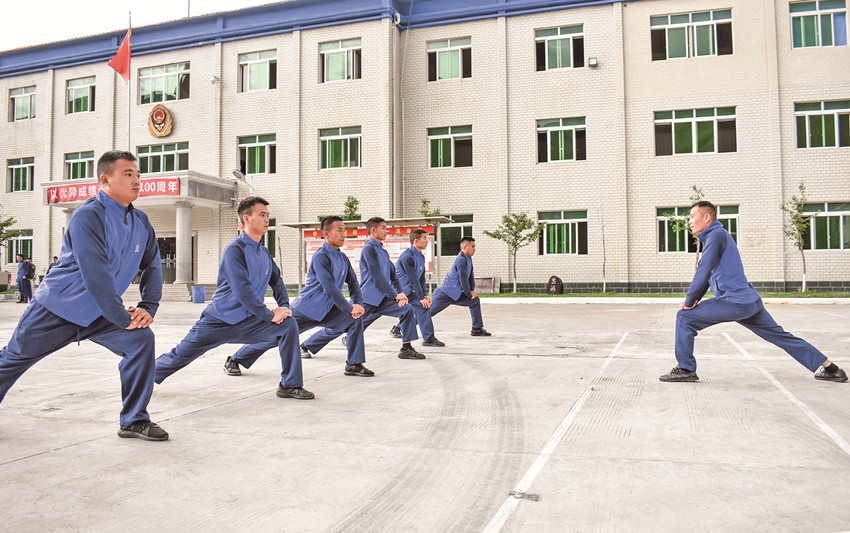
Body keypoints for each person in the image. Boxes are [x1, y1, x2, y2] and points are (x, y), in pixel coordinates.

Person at [0, 151, 168, 441]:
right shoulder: (88, 216)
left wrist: (148, 306)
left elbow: (152, 265)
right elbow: (95, 273)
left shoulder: (140, 221)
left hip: (101, 313)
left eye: (138, 175)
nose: (137, 181)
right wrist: (121, 317)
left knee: (140, 341)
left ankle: (134, 420)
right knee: (12, 360)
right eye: (128, 174)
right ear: (105, 180)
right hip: (57, 308)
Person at [660, 201, 846, 383]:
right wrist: (695, 299)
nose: (690, 221)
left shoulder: (715, 235)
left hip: (734, 302)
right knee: (780, 336)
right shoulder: (718, 235)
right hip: (749, 302)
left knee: (685, 317)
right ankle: (832, 369)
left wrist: (690, 301)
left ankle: (686, 369)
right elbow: (709, 273)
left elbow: (703, 270)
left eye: (692, 216)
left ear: (706, 217)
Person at [154, 197, 314, 400]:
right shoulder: (235, 250)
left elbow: (277, 281)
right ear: (246, 218)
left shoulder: (263, 252)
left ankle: (290, 385)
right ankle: (139, 377)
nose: (266, 219)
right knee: (179, 356)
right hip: (219, 320)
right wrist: (269, 315)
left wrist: (284, 308)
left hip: (250, 320)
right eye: (261, 215)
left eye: (267, 215)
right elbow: (242, 290)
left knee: (288, 325)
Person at [231, 216, 373, 377]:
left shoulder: (342, 258)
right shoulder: (321, 257)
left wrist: (358, 304)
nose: (343, 234)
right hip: (306, 310)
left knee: (355, 320)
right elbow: (330, 289)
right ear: (326, 234)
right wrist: (349, 308)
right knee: (274, 337)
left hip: (328, 310)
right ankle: (235, 359)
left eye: (344, 230)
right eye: (339, 230)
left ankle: (354, 364)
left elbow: (353, 283)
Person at [310, 217, 425, 360]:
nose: (386, 231)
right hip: (368, 298)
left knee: (407, 309)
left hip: (383, 299)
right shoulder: (368, 249)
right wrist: (395, 295)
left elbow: (393, 275)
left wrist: (400, 293)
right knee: (343, 324)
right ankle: (308, 345)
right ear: (373, 230)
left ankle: (406, 348)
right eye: (383, 228)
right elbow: (377, 276)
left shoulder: (383, 252)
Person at [387, 228, 444, 347]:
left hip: (409, 292)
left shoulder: (420, 256)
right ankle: (350, 333)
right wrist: (420, 297)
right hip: (398, 293)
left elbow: (421, 279)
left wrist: (425, 296)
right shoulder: (407, 257)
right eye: (424, 238)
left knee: (423, 307)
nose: (427, 241)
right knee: (372, 312)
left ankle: (428, 339)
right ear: (416, 241)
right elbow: (413, 279)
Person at [429, 236, 491, 336]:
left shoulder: (468, 259)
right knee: (427, 313)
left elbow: (470, 276)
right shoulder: (461, 259)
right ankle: (403, 328)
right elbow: (463, 278)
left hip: (456, 294)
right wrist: (468, 294)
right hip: (444, 294)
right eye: (473, 246)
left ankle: (477, 328)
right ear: (465, 247)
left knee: (475, 301)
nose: (474, 249)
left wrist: (472, 290)